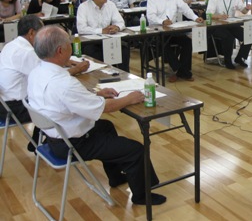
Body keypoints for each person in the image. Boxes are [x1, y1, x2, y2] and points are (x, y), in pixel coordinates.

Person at [27, 25, 166, 206]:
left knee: (106, 127)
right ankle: (142, 196)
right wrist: (129, 98)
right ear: (60, 51)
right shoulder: (63, 83)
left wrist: (98, 94)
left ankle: (115, 176)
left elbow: (68, 101)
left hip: (54, 137)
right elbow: (105, 108)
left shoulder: (37, 72)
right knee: (135, 150)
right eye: (69, 44)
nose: (72, 47)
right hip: (72, 144)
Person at [0, 16, 89, 152]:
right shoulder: (26, 52)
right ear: (31, 33)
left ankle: (37, 142)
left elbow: (44, 65)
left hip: (6, 102)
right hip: (14, 107)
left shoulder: (12, 45)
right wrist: (77, 69)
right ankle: (54, 142)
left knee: (44, 95)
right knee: (53, 101)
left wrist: (65, 60)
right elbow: (48, 76)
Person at [146, 0, 204, 82]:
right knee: (164, 43)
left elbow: (185, 8)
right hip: (156, 32)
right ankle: (180, 71)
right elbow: (151, 16)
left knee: (187, 42)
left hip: (172, 30)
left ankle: (183, 71)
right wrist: (162, 21)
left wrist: (195, 18)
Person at [77, 0, 130, 72]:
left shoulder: (110, 5)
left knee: (124, 49)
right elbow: (81, 29)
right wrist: (101, 31)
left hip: (108, 40)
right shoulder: (83, 7)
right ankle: (99, 76)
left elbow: (121, 22)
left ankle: (123, 77)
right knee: (93, 52)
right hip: (91, 42)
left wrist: (116, 27)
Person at [206, 0, 252, 69]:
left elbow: (243, 11)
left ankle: (239, 58)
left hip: (231, 24)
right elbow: (208, 14)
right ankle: (228, 61)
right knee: (229, 37)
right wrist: (219, 16)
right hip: (217, 26)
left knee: (249, 35)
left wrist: (247, 8)